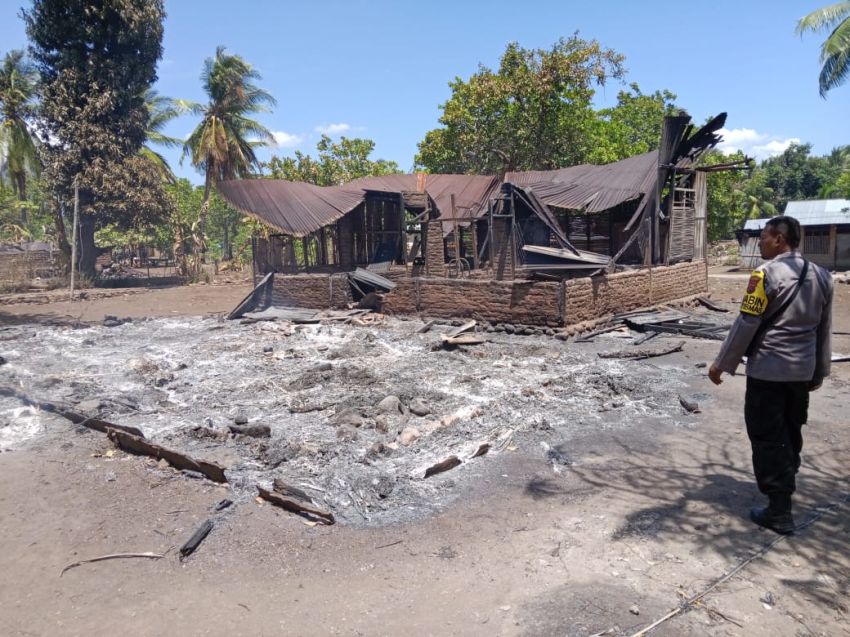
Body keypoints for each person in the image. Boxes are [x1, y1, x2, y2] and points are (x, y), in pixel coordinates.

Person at [709, 215, 832, 535]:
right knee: (791, 432)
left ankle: (779, 510)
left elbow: (747, 323)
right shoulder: (822, 276)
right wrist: (819, 371)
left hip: (768, 372)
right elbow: (823, 330)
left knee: (767, 436)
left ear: (779, 239)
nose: (760, 242)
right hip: (800, 373)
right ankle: (785, 489)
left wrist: (722, 363)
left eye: (763, 236)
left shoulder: (764, 274)